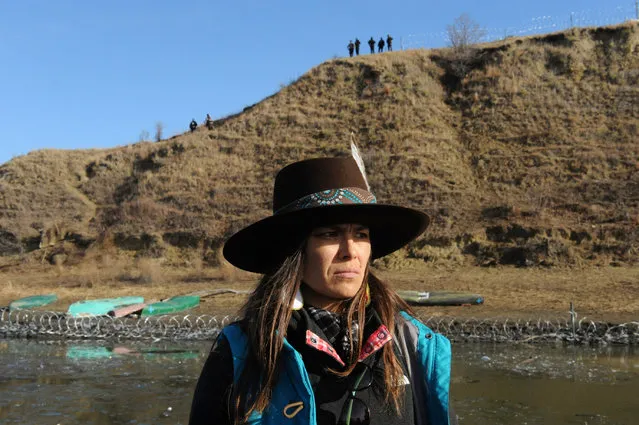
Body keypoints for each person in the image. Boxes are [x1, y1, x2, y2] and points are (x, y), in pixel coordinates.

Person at [189, 145, 456, 425]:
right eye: (330, 234)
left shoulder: (411, 343)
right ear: (295, 251)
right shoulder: (242, 351)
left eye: (361, 234)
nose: (350, 251)